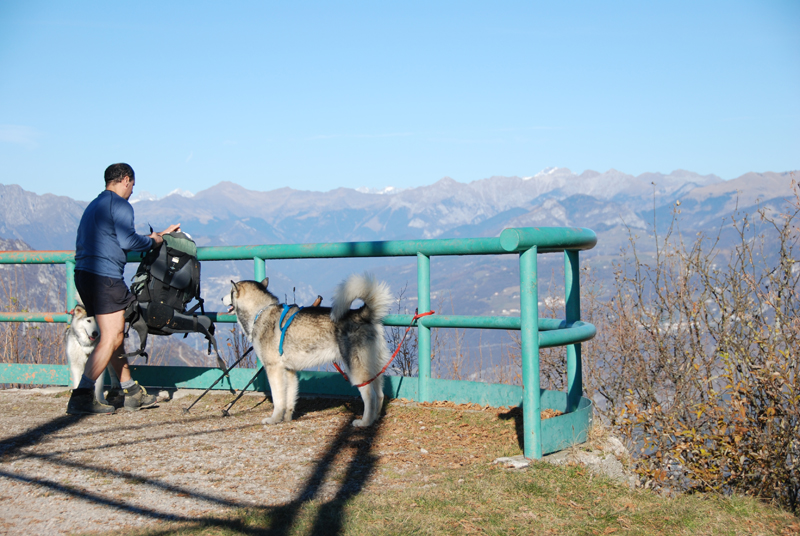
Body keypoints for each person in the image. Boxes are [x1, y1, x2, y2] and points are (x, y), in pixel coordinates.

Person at [66, 163, 181, 415]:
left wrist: (158, 235)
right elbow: (129, 241)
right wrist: (155, 242)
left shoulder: (95, 205)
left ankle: (131, 392)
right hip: (105, 278)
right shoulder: (120, 205)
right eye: (132, 186)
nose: (131, 192)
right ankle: (82, 396)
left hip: (85, 275)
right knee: (113, 336)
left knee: (113, 335)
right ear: (126, 180)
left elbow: (115, 239)